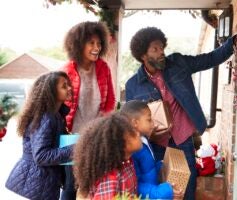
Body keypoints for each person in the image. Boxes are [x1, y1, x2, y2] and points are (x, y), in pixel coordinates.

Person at [125, 27, 237, 200]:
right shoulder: (133, 84)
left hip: (182, 139)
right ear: (143, 55)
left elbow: (209, 59)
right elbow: (130, 119)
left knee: (187, 186)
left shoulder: (178, 63)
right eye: (155, 49)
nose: (161, 52)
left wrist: (233, 43)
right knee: (161, 189)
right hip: (156, 145)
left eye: (162, 47)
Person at [61, 21, 116, 199]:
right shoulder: (67, 70)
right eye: (91, 43)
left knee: (94, 185)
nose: (96, 47)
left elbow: (110, 100)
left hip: (97, 136)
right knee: (71, 186)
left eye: (99, 43)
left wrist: (104, 123)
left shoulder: (103, 68)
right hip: (72, 137)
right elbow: (59, 105)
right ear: (78, 44)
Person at [5, 71, 74, 200]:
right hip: (34, 187)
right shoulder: (46, 117)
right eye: (64, 86)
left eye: (68, 84)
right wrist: (74, 149)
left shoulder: (56, 115)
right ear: (51, 92)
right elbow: (41, 156)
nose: (70, 88)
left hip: (41, 184)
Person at [120, 100, 183, 199]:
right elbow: (135, 185)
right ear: (135, 123)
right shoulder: (132, 150)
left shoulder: (144, 140)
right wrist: (165, 191)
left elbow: (148, 169)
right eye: (149, 120)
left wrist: (162, 166)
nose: (153, 124)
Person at [73, 113, 142, 200]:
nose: (138, 133)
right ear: (119, 143)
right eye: (132, 132)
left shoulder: (127, 162)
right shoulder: (110, 179)